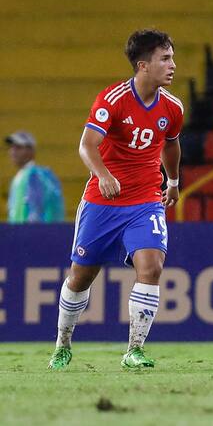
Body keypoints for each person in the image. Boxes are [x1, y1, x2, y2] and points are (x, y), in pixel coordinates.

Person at [47, 29, 184, 370]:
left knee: (151, 266)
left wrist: (174, 180)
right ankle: (63, 344)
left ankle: (134, 349)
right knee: (81, 276)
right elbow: (87, 145)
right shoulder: (112, 99)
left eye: (172, 57)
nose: (172, 65)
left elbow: (170, 142)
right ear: (143, 65)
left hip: (146, 200)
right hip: (103, 202)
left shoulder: (173, 107)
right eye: (164, 59)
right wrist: (103, 174)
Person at [5, 131, 64, 223]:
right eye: (12, 147)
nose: (13, 151)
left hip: (32, 234)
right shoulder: (20, 177)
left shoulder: (35, 175)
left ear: (31, 150)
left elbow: (36, 208)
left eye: (18, 147)